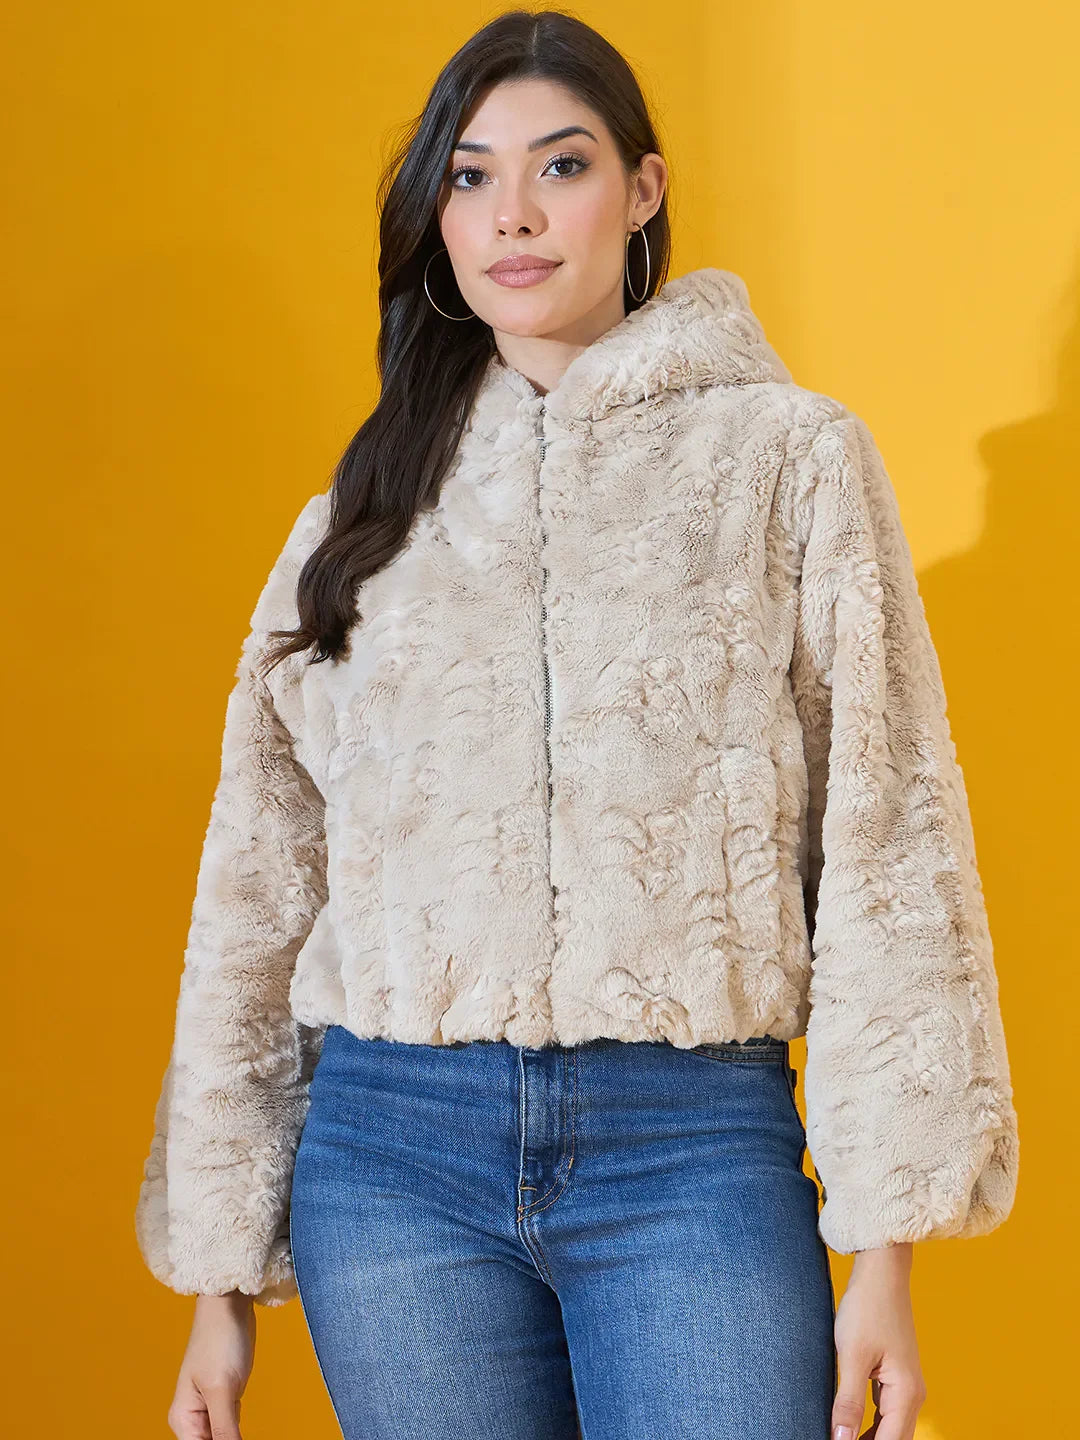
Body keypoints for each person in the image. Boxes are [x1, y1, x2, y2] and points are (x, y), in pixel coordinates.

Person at [135, 10, 1019, 1440]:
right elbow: (257, 888)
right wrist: (217, 1282)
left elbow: (889, 840)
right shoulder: (357, 523)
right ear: (436, 214)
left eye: (562, 165)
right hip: (390, 1161)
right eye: (471, 177)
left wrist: (886, 1252)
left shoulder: (788, 464)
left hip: (689, 1149)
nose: (516, 215)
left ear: (644, 191)